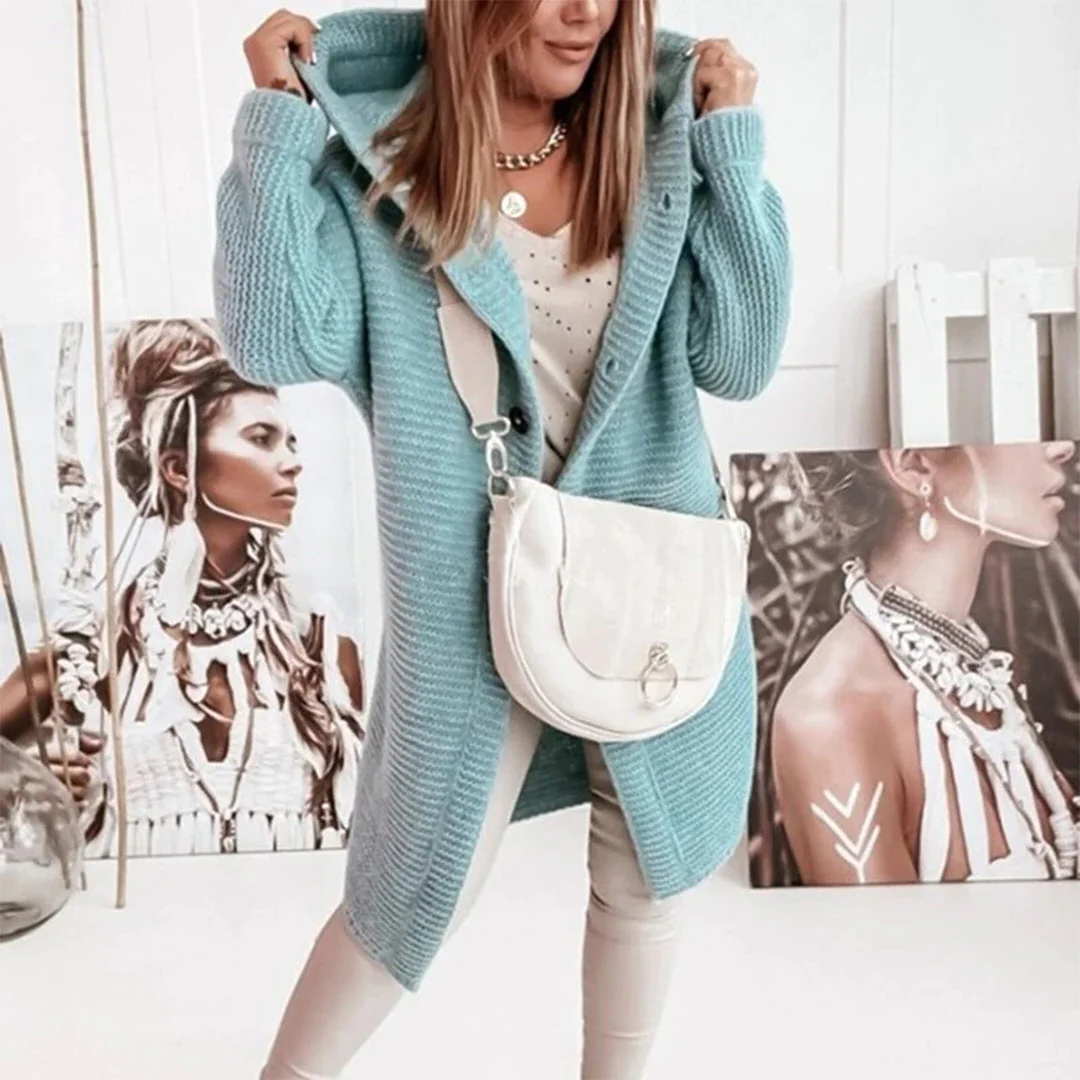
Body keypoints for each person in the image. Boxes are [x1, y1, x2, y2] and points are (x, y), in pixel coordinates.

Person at [213, 3, 791, 1076]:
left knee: (644, 870)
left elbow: (741, 359)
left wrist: (732, 151)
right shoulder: (380, 162)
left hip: (648, 576)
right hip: (467, 596)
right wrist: (276, 122)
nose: (585, 13)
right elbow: (273, 337)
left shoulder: (658, 145)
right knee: (414, 890)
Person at [0, 317, 365, 857]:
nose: (292, 462)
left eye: (291, 440)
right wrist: (28, 782)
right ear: (177, 467)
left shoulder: (319, 647)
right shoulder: (91, 651)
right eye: (261, 439)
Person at [772, 442, 1080, 886]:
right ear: (913, 464)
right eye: (1013, 426)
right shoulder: (832, 716)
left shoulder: (979, 676)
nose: (1062, 447)